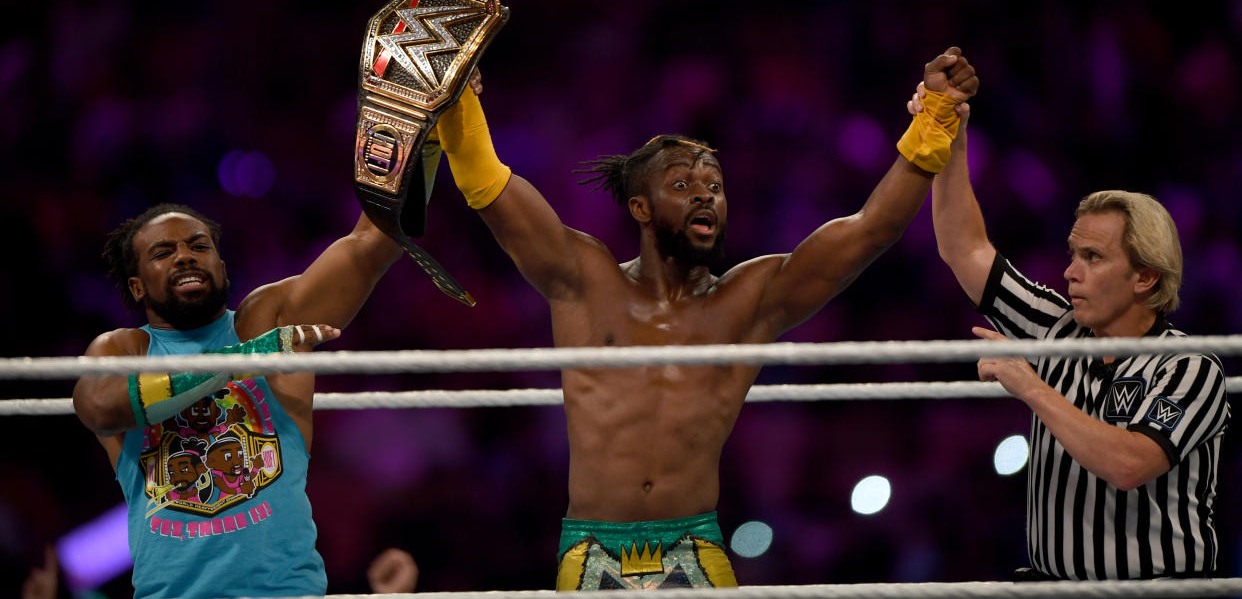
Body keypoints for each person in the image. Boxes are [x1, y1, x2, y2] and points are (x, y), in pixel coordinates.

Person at [431, 48, 978, 589]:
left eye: (714, 187)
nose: (705, 197)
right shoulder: (583, 278)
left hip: (693, 545)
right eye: (682, 186)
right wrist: (457, 103)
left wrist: (935, 115)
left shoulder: (751, 300)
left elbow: (872, 230)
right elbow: (488, 185)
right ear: (641, 209)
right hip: (591, 546)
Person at [911, 87, 1230, 580]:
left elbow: (1130, 464)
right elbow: (963, 247)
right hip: (1054, 590)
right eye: (1073, 254)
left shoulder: (1191, 369)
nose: (1069, 273)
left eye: (1093, 258)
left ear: (1145, 276)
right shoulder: (1054, 326)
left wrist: (1031, 387)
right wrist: (952, 138)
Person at [72, 202, 407, 598]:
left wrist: (422, 155)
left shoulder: (267, 320)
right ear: (137, 285)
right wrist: (244, 360)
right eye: (163, 253)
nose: (184, 256)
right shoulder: (124, 349)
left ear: (222, 265)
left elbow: (370, 245)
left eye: (199, 246)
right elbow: (98, 408)